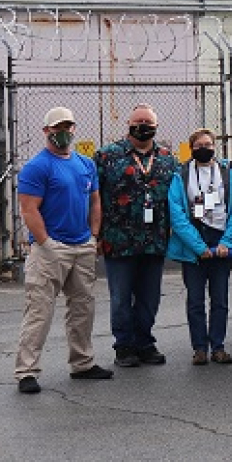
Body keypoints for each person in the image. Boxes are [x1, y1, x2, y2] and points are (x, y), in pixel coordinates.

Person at [14, 107, 113, 394]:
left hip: (82, 245)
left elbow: (94, 200)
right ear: (46, 131)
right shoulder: (37, 166)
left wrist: (93, 236)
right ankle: (27, 371)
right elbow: (28, 208)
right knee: (39, 310)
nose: (64, 132)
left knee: (83, 307)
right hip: (50, 249)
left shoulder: (85, 164)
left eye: (69, 126)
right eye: (58, 127)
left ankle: (82, 363)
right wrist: (45, 243)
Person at [95, 103, 177, 369]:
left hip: (154, 240)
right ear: (129, 124)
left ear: (156, 127)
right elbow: (93, 197)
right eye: (138, 121)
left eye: (148, 122)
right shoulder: (107, 156)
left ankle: (144, 342)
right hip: (118, 240)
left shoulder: (167, 158)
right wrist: (95, 233)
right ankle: (124, 346)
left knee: (149, 296)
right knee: (120, 296)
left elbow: (176, 199)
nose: (143, 126)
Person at [168, 129, 232, 366]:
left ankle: (219, 346)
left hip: (221, 239)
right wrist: (197, 246)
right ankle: (200, 348)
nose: (204, 147)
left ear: (215, 146)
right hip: (193, 241)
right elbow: (177, 214)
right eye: (199, 144)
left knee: (220, 299)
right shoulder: (180, 175)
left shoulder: (227, 172)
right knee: (195, 299)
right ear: (191, 148)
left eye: (208, 143)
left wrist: (226, 242)